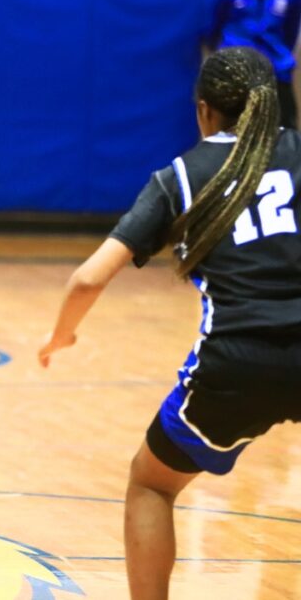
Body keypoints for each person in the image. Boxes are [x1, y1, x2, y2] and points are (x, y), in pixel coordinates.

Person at [39, 47, 301, 600]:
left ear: (204, 112)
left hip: (237, 362)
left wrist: (62, 334)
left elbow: (88, 279)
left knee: (152, 484)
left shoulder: (181, 176)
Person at [204, 0, 301, 128]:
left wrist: (278, 54)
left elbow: (291, 32)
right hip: (234, 74)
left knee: (285, 140)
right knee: (232, 137)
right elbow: (209, 27)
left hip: (276, 73)